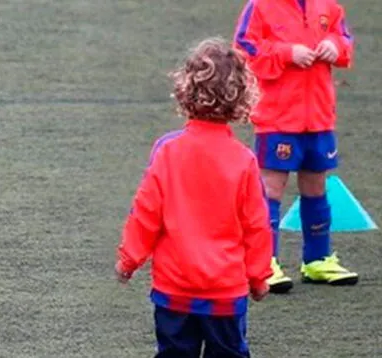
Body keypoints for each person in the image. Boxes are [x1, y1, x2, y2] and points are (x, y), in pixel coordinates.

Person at [114, 38, 272, 358]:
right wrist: (258, 276)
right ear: (241, 96)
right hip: (225, 292)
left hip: (174, 289)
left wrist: (129, 259)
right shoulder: (243, 160)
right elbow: (256, 224)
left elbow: (146, 211)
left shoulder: (168, 151)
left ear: (186, 90)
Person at [234, 0, 358, 294]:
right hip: (277, 118)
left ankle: (317, 260)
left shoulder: (328, 5)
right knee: (270, 190)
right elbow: (244, 50)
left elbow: (345, 41)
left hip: (319, 117)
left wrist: (334, 46)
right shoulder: (261, 6)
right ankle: (265, 264)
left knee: (316, 187)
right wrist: (287, 53)